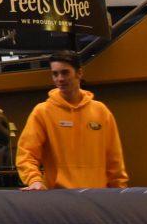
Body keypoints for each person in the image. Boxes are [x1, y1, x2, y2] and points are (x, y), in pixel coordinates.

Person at [16, 51, 128, 190]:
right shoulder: (42, 112)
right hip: (59, 197)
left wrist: (119, 190)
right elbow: (26, 153)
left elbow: (114, 158)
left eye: (65, 72)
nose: (60, 79)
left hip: (98, 196)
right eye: (55, 74)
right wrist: (34, 180)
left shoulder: (101, 111)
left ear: (79, 73)